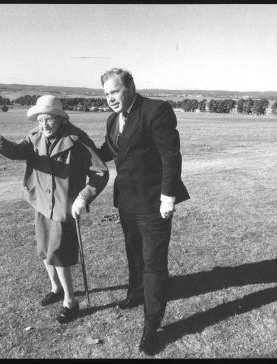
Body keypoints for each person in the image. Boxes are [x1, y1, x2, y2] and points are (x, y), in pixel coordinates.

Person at [0, 95, 109, 324]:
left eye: (48, 119)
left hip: (63, 207)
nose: (44, 124)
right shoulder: (35, 137)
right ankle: (56, 288)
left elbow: (100, 172)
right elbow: (17, 151)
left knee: (59, 255)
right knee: (44, 251)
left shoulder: (77, 140)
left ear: (60, 119)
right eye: (40, 120)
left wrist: (83, 196)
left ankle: (71, 301)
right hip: (41, 202)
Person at [98, 68, 190, 355]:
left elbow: (170, 156)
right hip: (126, 201)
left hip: (154, 203)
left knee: (153, 263)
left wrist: (168, 197)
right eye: (106, 94)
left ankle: (152, 326)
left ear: (131, 87)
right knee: (134, 254)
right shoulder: (113, 119)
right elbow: (108, 151)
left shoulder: (156, 110)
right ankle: (136, 294)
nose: (110, 98)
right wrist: (75, 148)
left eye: (114, 91)